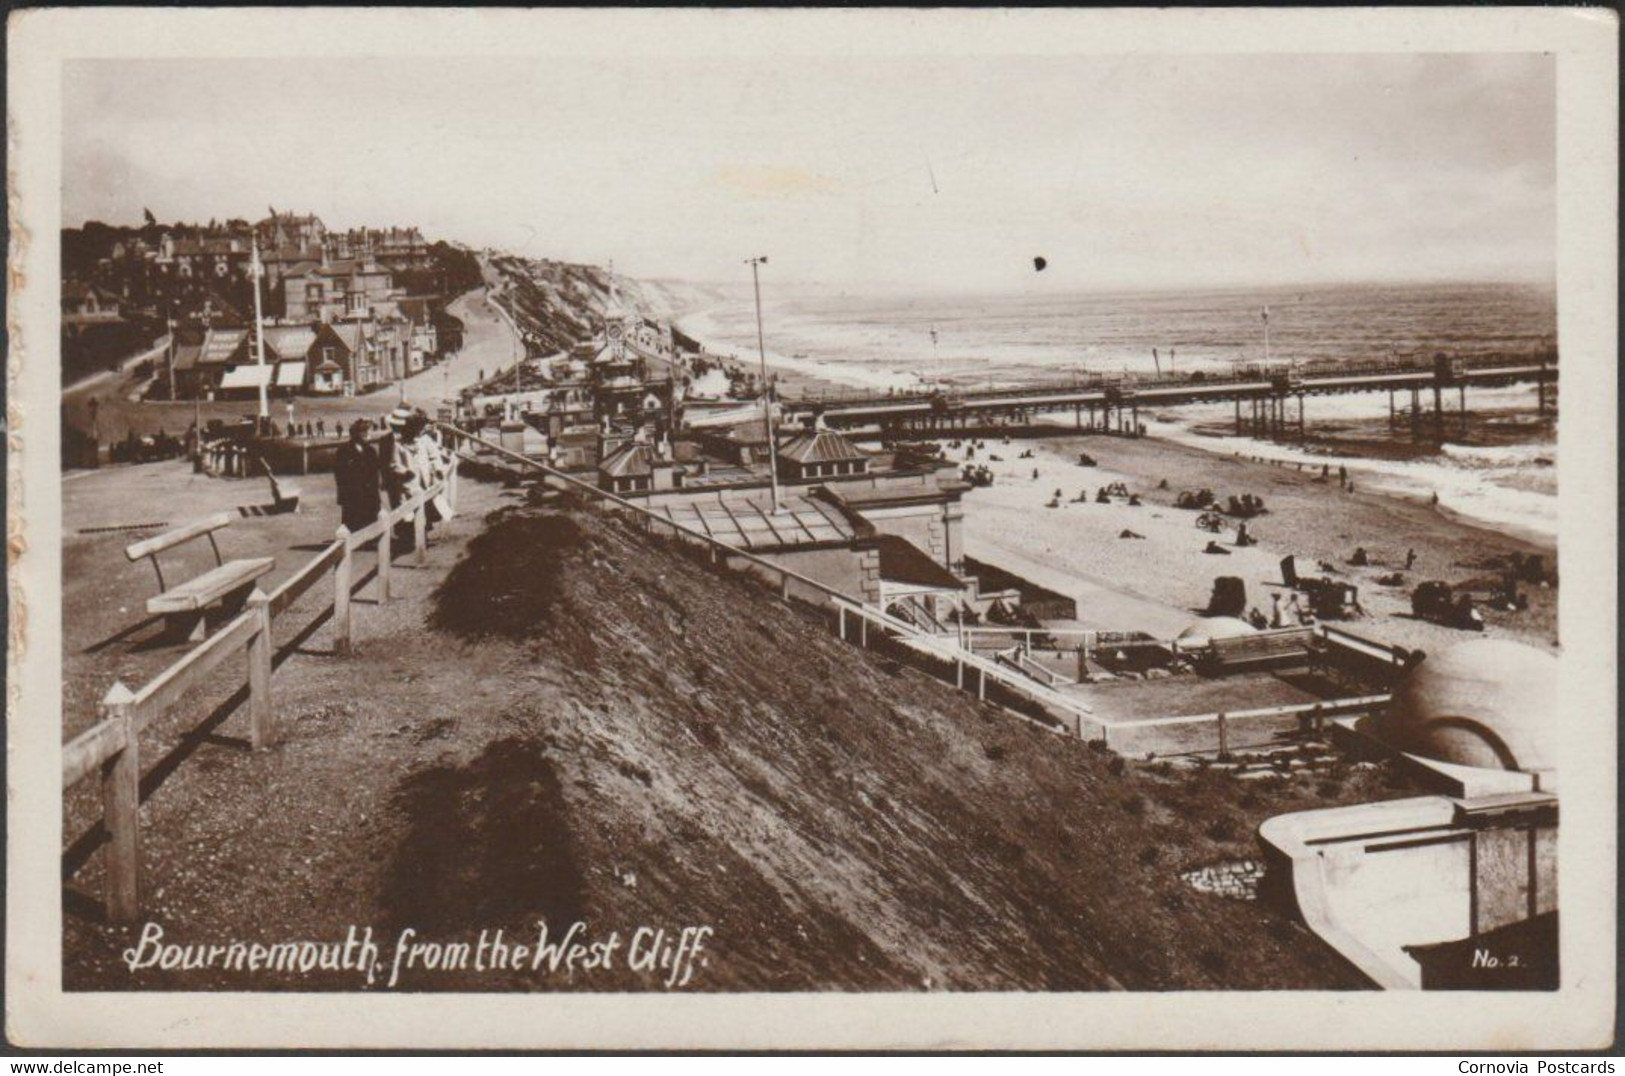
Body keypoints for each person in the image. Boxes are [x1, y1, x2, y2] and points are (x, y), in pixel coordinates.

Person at [333, 419, 382, 533]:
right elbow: (340, 475)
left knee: (369, 521)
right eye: (366, 433)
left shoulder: (371, 451)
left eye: (368, 433)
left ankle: (369, 541)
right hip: (352, 495)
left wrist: (376, 495)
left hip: (369, 494)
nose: (368, 436)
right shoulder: (344, 451)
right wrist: (345, 493)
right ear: (359, 434)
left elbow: (375, 474)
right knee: (352, 522)